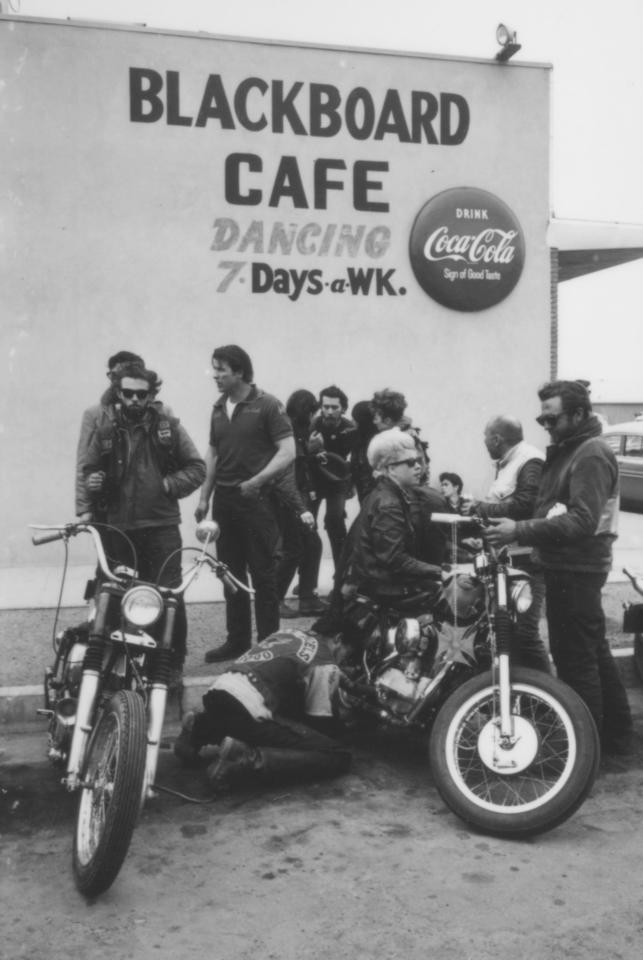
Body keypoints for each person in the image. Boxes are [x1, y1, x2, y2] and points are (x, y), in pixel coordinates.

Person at [485, 380, 633, 754]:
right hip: (568, 566)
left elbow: (582, 520)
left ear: (579, 414)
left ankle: (583, 753)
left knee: (575, 660)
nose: (545, 425)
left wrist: (518, 530)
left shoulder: (590, 454)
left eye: (552, 418)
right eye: (542, 418)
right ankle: (615, 737)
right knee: (593, 652)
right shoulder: (571, 449)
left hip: (577, 569)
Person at [83, 362, 205, 672]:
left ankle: (169, 668)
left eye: (141, 394)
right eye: (128, 394)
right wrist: (92, 482)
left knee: (168, 598)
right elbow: (89, 469)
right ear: (118, 394)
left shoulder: (169, 428)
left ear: (151, 395)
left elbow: (197, 468)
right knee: (117, 598)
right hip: (119, 530)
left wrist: (168, 484)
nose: (135, 400)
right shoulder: (106, 430)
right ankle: (120, 670)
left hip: (162, 529)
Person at [195, 345, 295, 662]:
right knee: (229, 574)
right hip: (224, 503)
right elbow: (213, 453)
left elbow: (288, 451)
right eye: (214, 368)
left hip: (256, 500)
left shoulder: (267, 405)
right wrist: (204, 496)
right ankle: (237, 641)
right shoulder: (217, 408)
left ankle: (268, 646)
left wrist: (257, 481)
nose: (216, 375)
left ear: (239, 371)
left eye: (221, 369)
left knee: (263, 576)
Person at [173, 627, 352, 791]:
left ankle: (198, 727)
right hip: (247, 709)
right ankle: (244, 759)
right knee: (335, 754)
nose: (343, 661)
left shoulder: (290, 633)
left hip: (219, 694)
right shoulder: (325, 662)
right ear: (338, 639)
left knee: (254, 717)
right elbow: (319, 721)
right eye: (347, 654)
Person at [466, 416, 550, 673]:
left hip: (525, 560)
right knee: (509, 632)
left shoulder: (528, 460)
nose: (483, 441)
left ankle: (549, 694)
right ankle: (525, 695)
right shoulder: (511, 461)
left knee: (524, 632)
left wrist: (481, 507)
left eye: (485, 436)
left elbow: (528, 504)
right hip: (511, 557)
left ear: (496, 439)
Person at [342, 428, 443, 603]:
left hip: (380, 581)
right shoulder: (389, 503)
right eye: (411, 462)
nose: (419, 466)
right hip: (386, 587)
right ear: (391, 469)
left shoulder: (387, 493)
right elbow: (394, 559)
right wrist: (440, 571)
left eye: (419, 460)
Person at [75, 350, 144, 522]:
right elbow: (84, 464)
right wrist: (85, 508)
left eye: (118, 374)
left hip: (147, 507)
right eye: (111, 375)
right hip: (107, 504)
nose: (113, 380)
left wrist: (167, 487)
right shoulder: (94, 415)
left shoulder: (160, 413)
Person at [276, 390, 326, 618]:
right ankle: (276, 600)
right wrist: (310, 449)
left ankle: (307, 598)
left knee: (310, 546)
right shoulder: (291, 432)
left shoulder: (294, 429)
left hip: (293, 497)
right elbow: (291, 466)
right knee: (294, 549)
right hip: (289, 499)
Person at [309, 385, 355, 573]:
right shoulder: (313, 425)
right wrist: (312, 449)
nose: (329, 411)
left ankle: (342, 576)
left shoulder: (350, 428)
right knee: (307, 525)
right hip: (314, 479)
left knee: (335, 521)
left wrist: (351, 484)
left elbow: (356, 458)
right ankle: (307, 579)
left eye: (334, 407)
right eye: (325, 406)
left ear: (343, 408)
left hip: (338, 481)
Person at [370, 388, 430, 483]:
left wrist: (382, 475)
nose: (374, 422)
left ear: (388, 421)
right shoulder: (397, 434)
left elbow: (420, 470)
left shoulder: (404, 440)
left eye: (376, 418)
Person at [349, 400, 378, 503]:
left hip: (372, 490)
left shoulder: (375, 441)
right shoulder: (358, 437)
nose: (352, 421)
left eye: (355, 419)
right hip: (362, 487)